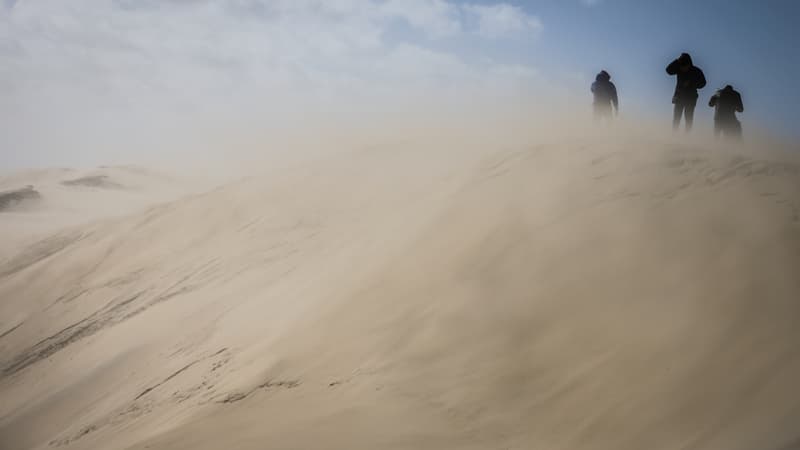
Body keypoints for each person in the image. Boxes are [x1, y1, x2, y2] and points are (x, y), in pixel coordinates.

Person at [666, 53, 707, 131]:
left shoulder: (697, 71)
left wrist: (692, 84)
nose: (683, 69)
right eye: (681, 67)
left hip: (691, 98)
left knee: (688, 119)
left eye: (684, 67)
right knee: (676, 118)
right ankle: (674, 136)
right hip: (679, 97)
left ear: (689, 64)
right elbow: (668, 70)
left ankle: (686, 138)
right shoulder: (678, 69)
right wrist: (677, 61)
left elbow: (703, 83)